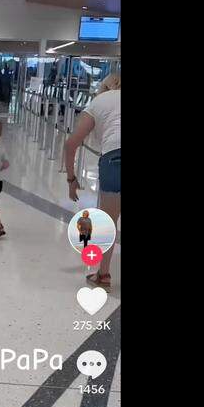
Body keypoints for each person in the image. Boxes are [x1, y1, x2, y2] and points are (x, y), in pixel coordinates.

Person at [64, 73, 120, 289]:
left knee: (109, 222)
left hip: (114, 158)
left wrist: (71, 179)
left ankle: (103, 275)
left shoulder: (99, 102)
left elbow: (71, 144)